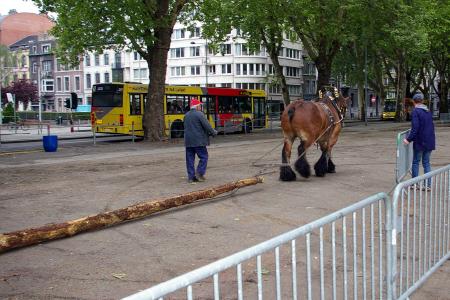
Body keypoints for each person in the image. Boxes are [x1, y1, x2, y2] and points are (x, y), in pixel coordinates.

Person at [403, 93, 436, 189]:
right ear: (422, 101)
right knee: (426, 162)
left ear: (414, 101)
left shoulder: (416, 112)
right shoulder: (428, 111)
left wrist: (408, 139)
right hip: (430, 140)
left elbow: (415, 128)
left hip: (420, 141)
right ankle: (428, 185)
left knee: (416, 161)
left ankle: (414, 183)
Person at [184, 98, 218, 183]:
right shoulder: (200, 114)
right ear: (197, 106)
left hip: (188, 141)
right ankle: (199, 173)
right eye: (200, 105)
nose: (201, 107)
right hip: (199, 141)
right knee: (204, 157)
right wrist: (214, 132)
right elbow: (207, 126)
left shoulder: (186, 115)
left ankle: (191, 177)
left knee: (190, 159)